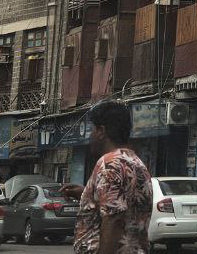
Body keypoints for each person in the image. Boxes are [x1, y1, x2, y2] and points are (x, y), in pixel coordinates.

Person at [62, 101, 154, 254]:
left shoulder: (109, 165)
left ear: (101, 131)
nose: (90, 136)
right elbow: (124, 205)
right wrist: (87, 195)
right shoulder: (136, 163)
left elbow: (114, 219)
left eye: (92, 130)